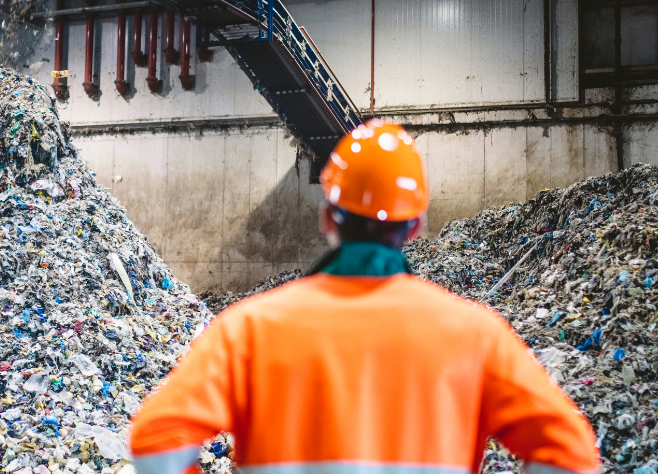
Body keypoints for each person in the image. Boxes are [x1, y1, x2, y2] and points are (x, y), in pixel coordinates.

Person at [128, 119, 600, 474]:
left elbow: (156, 442)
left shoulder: (248, 328)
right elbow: (571, 453)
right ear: (414, 226)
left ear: (327, 218)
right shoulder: (475, 334)